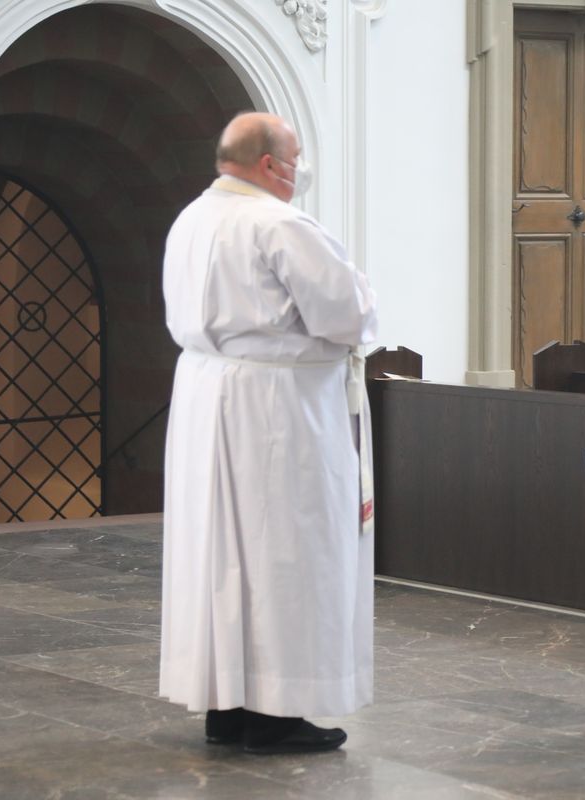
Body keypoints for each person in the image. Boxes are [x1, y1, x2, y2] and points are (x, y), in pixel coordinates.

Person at [158, 112, 378, 753]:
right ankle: (276, 713)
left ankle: (226, 706)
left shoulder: (191, 217)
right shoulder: (279, 223)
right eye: (297, 157)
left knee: (222, 552)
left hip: (207, 396)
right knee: (285, 551)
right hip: (277, 409)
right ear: (269, 165)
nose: (300, 169)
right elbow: (345, 312)